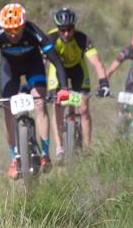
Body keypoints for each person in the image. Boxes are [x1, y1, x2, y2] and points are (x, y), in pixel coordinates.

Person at [0, 3, 70, 178]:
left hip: (33, 66)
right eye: (9, 31)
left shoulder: (33, 31)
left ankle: (45, 153)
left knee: (39, 103)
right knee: (7, 108)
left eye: (17, 30)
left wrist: (64, 88)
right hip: (10, 70)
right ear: (2, 27)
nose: (14, 35)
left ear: (23, 25)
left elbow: (56, 61)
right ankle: (13, 158)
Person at [46, 8, 110, 157]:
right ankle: (60, 147)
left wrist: (104, 84)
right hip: (57, 71)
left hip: (77, 70)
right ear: (58, 29)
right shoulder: (50, 38)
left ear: (74, 27)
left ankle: (87, 150)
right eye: (62, 30)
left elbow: (97, 63)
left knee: (83, 108)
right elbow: (42, 62)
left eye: (69, 29)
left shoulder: (82, 39)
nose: (66, 33)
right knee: (57, 104)